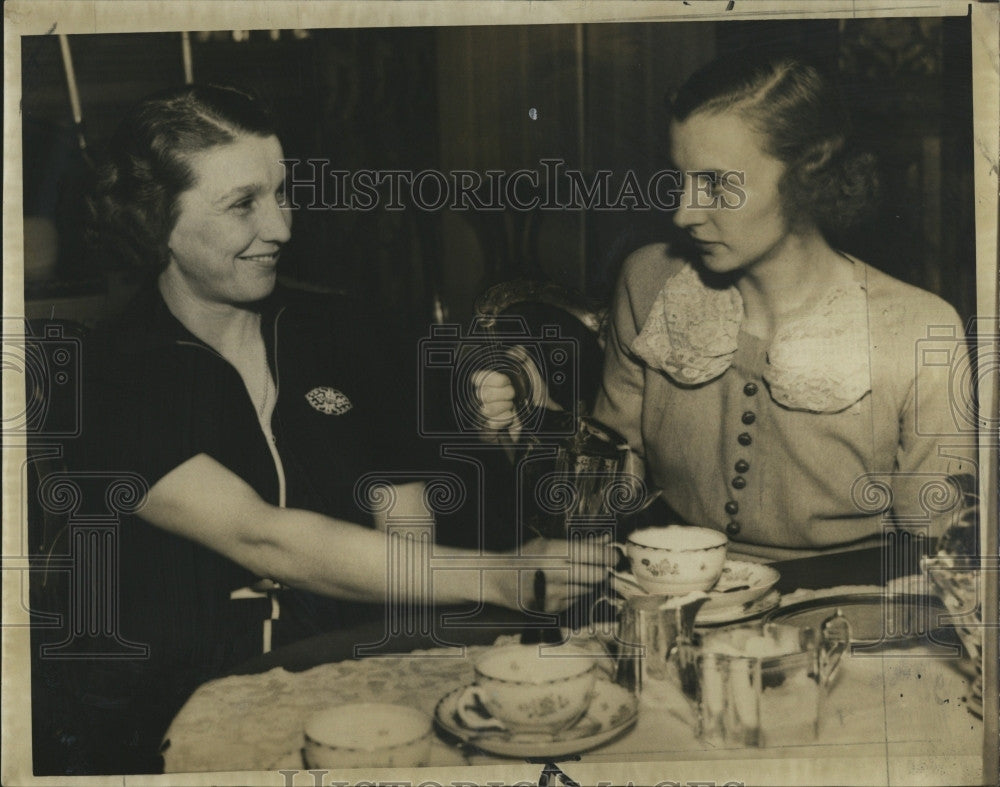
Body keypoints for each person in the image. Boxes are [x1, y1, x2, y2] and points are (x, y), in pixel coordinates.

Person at [38, 84, 608, 775]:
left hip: (348, 663)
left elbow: (401, 503)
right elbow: (265, 537)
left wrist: (404, 660)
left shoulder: (339, 327)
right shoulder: (102, 376)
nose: (280, 227)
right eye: (243, 203)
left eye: (282, 193)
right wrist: (502, 573)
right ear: (154, 220)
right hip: (180, 700)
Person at [477, 52, 971, 562]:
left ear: (807, 173)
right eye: (681, 179)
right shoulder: (650, 281)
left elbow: (942, 549)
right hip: (673, 590)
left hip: (849, 613)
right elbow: (606, 492)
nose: (683, 212)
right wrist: (534, 427)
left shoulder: (916, 326)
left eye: (716, 185)